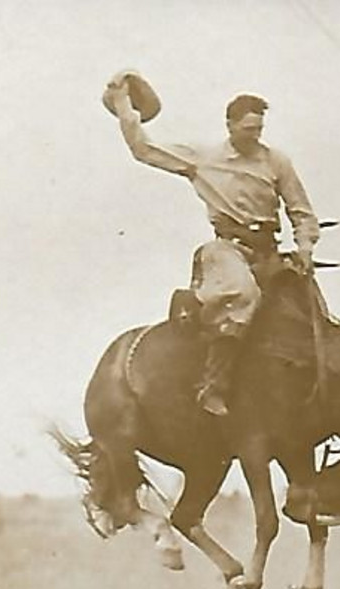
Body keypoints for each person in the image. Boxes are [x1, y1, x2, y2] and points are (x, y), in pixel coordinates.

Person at [102, 71, 321, 415]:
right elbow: (144, 149)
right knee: (243, 295)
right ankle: (212, 386)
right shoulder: (203, 158)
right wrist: (123, 105)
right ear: (230, 125)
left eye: (259, 129)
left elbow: (300, 209)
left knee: (307, 308)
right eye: (248, 129)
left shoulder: (277, 161)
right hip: (226, 249)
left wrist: (305, 246)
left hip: (269, 250)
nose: (255, 136)